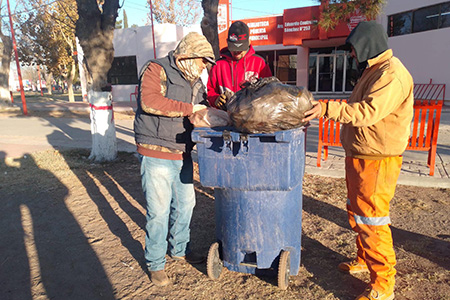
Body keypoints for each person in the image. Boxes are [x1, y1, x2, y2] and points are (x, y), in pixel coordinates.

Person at [303, 21, 414, 300]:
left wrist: (327, 109)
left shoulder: (391, 74)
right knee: (358, 213)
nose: (352, 54)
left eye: (353, 49)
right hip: (361, 155)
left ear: (367, 45)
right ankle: (364, 260)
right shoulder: (373, 71)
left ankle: (383, 284)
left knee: (372, 219)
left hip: (377, 160)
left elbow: (367, 112)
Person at [133, 32, 215, 287]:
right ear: (188, 55)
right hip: (156, 151)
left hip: (182, 152)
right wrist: (191, 109)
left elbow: (200, 107)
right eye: (203, 61)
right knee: (158, 212)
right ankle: (155, 264)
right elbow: (149, 101)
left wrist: (215, 106)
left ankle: (179, 249)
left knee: (186, 204)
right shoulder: (157, 69)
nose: (205, 67)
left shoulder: (196, 81)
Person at [207, 20, 272, 110]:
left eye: (241, 48)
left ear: (248, 42)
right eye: (233, 48)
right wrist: (215, 99)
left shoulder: (260, 63)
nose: (237, 52)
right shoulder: (218, 65)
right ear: (227, 42)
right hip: (225, 118)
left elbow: (270, 91)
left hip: (253, 117)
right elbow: (210, 91)